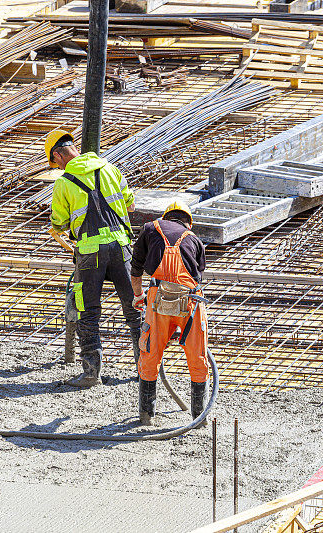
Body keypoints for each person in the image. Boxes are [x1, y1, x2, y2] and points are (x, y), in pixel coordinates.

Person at [47, 130, 141, 387]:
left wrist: (63, 224)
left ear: (58, 156)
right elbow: (130, 204)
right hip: (121, 246)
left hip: (90, 252)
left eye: (55, 164)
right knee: (135, 310)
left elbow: (59, 222)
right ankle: (146, 369)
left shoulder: (64, 183)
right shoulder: (111, 169)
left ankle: (90, 374)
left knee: (87, 312)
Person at [130, 201, 209, 426]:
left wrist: (138, 297)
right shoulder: (195, 240)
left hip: (157, 300)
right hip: (191, 302)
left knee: (150, 353)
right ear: (188, 223)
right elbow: (198, 276)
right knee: (197, 356)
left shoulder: (149, 229)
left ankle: (146, 417)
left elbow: (135, 270)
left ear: (166, 217)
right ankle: (199, 417)